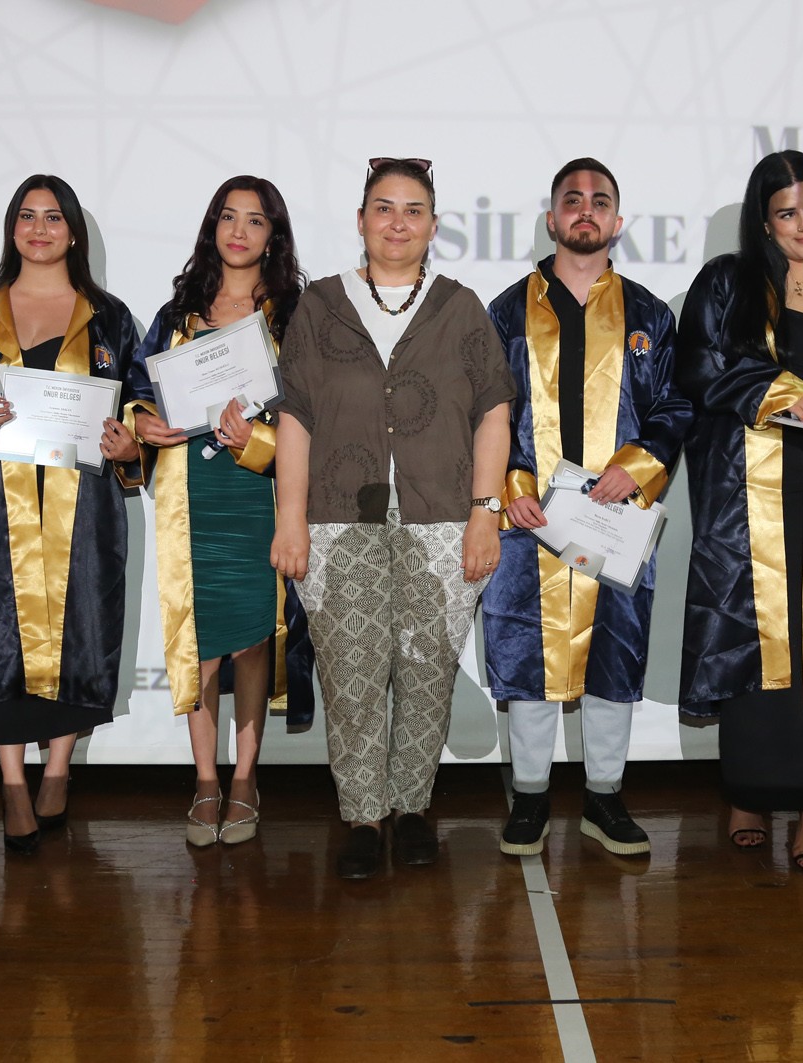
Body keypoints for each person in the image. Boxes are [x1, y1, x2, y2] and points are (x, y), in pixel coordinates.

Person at [271, 158, 515, 880]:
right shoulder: (320, 305)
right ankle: (362, 816)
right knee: (350, 679)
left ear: (434, 226)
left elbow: (493, 414)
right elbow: (295, 418)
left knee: (427, 672)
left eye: (414, 210)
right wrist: (290, 519)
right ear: (361, 220)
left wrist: (485, 514)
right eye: (384, 207)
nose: (398, 222)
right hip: (338, 521)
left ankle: (411, 808)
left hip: (444, 520)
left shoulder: (460, 308)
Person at [482, 157, 691, 857]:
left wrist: (636, 469)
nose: (585, 209)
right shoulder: (507, 311)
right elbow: (486, 410)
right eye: (572, 199)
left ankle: (605, 795)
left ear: (617, 222)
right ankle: (530, 796)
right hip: (531, 519)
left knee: (612, 655)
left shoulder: (649, 315)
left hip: (615, 514)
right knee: (528, 656)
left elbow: (673, 406)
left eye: (600, 200)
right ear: (552, 218)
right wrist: (513, 486)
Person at [0, 174, 145, 855]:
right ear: (12, 229)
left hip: (86, 507)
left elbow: (138, 402)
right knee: (2, 632)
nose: (40, 229)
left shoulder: (108, 317)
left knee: (83, 626)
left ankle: (57, 766)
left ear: (73, 231)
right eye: (27, 216)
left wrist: (129, 443)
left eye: (53, 217)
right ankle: (11, 781)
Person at [677, 150, 803, 872]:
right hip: (744, 492)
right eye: (786, 212)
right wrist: (781, 390)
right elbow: (698, 367)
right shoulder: (727, 283)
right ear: (764, 221)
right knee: (750, 640)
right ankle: (746, 796)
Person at [128, 176, 311, 847]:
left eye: (255, 220)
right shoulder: (178, 313)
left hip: (257, 496)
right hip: (191, 496)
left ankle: (245, 778)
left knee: (254, 637)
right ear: (212, 227)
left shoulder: (295, 316)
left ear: (273, 235)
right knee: (199, 641)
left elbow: (311, 417)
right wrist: (143, 422)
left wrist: (256, 440)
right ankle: (205, 779)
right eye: (227, 217)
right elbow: (138, 391)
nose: (239, 231)